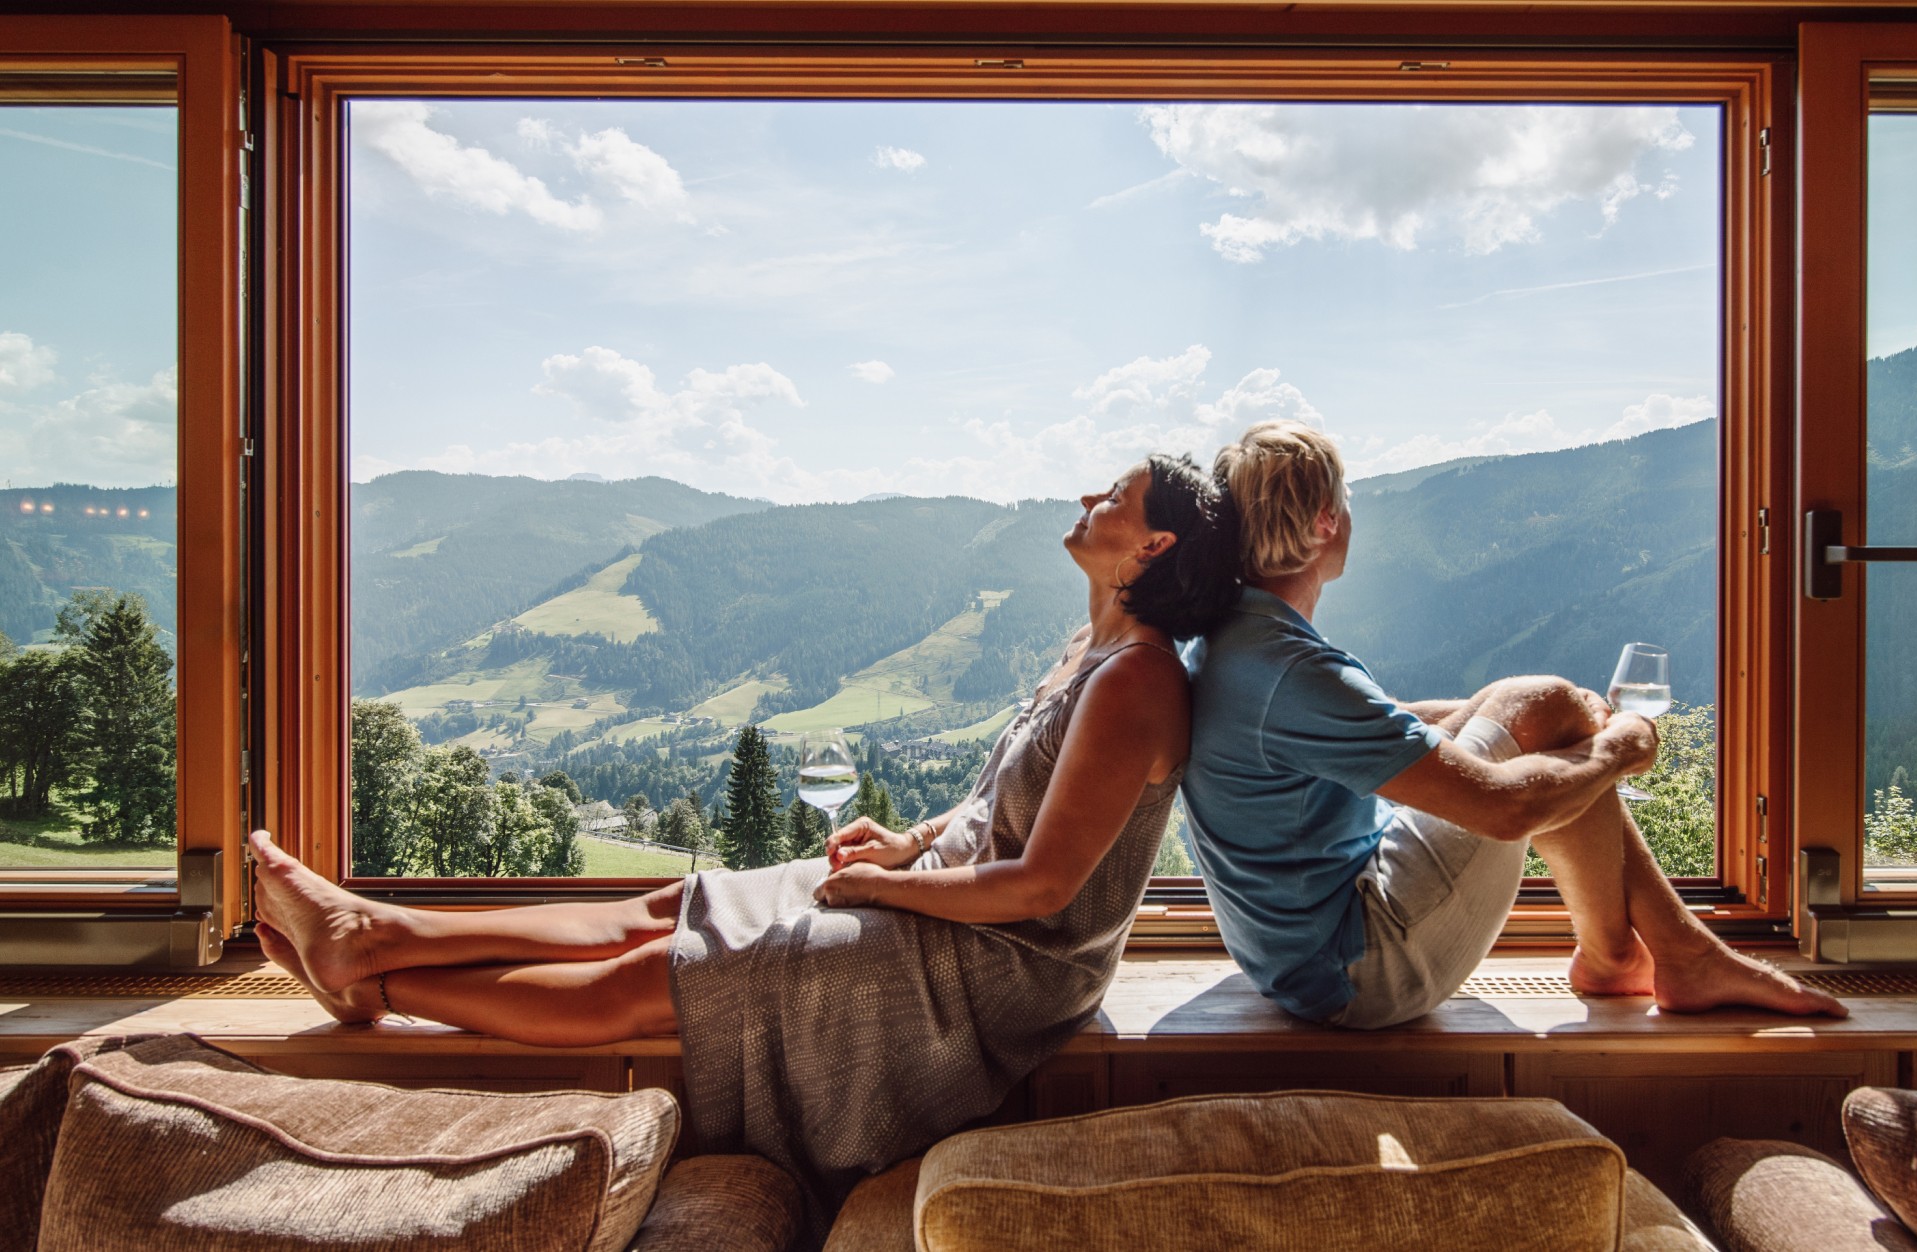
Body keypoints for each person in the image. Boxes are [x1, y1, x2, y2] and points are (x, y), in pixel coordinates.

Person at [247, 453, 1243, 1231]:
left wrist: (892, 893)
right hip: (948, 898)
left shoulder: (1139, 681)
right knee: (665, 908)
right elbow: (999, 804)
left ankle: (372, 982)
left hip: (998, 965)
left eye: (1115, 493)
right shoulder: (1091, 650)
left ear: (1149, 548)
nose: (1087, 494)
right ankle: (376, 928)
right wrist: (906, 844)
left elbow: (1040, 883)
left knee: (655, 980)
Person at [1180, 419, 1844, 1030]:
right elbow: (1507, 811)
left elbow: (1382, 726)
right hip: (1358, 971)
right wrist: (1617, 747)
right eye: (1346, 498)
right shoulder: (1288, 671)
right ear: (1327, 520)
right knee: (1547, 704)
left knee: (1539, 709)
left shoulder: (1241, 645)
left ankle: (1641, 955)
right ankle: (1652, 956)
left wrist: (1511, 708)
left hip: (1297, 955)